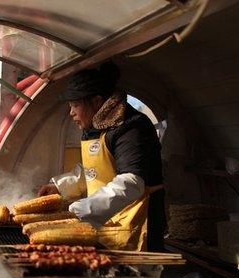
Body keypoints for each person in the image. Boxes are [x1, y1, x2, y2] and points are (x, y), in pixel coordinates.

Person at [38, 62, 166, 252]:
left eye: (75, 105)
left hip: (135, 228)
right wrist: (61, 187)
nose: (71, 112)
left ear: (97, 102)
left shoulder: (131, 127)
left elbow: (131, 182)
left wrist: (84, 208)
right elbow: (95, 171)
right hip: (106, 223)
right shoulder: (94, 127)